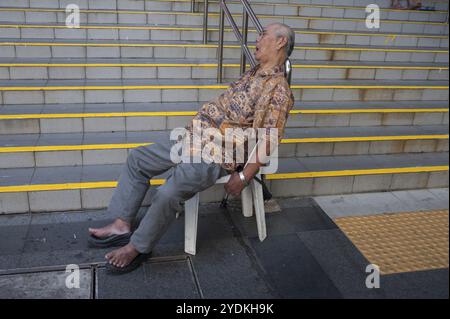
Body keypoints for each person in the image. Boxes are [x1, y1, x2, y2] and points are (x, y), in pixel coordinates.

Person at [87, 23, 295, 274]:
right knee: (138, 159)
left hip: (218, 153)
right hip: (193, 138)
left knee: (168, 191)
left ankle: (138, 247)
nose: (257, 40)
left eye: (263, 35)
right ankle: (121, 223)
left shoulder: (278, 89)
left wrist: (243, 176)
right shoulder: (253, 73)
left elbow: (270, 137)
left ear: (280, 42)